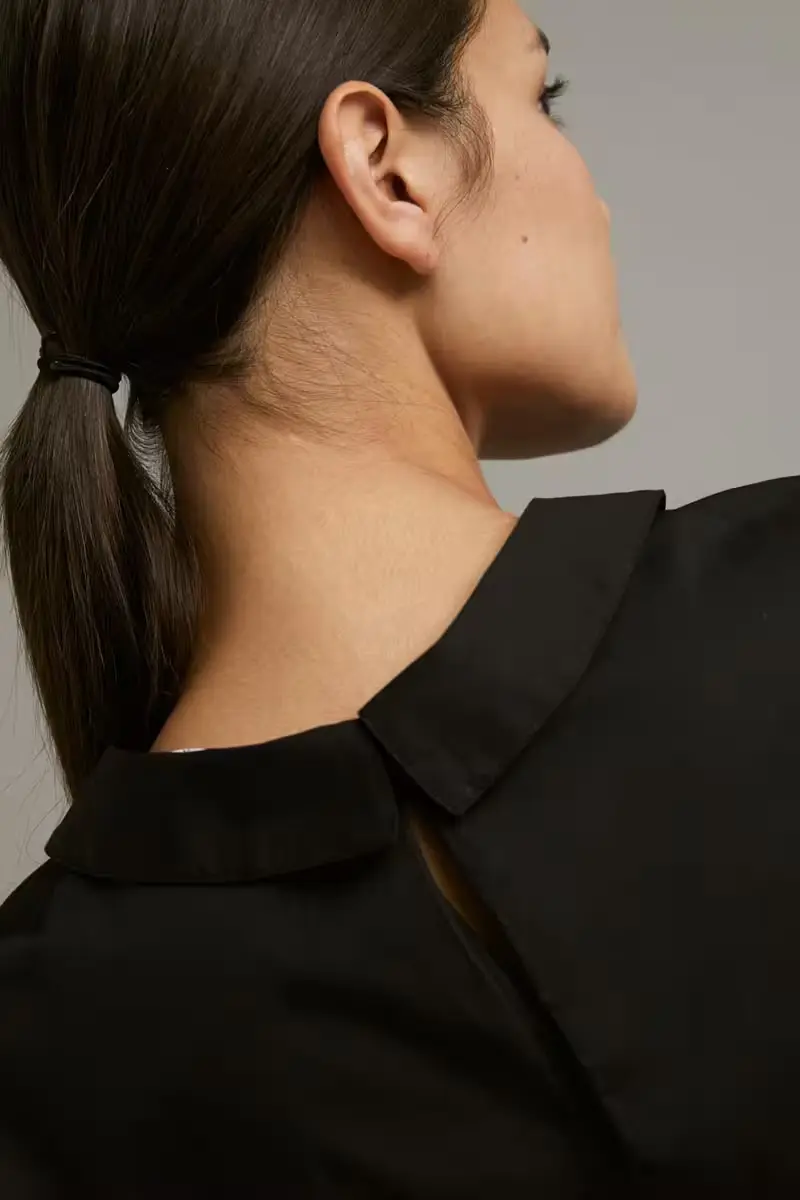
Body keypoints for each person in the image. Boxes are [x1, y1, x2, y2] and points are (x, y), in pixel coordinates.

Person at [0, 0, 798, 1193]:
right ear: (386, 169)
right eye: (542, 97)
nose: (597, 202)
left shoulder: (40, 1040)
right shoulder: (768, 626)